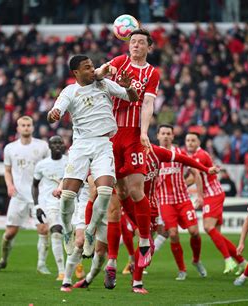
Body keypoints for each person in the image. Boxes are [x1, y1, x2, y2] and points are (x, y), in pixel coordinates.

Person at [47, 54, 138, 258]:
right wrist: (53, 114)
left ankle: (90, 231)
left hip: (104, 144)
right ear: (76, 72)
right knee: (68, 196)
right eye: (87, 68)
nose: (92, 70)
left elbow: (132, 98)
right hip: (81, 146)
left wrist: (128, 86)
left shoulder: (104, 84)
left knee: (105, 191)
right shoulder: (70, 91)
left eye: (92, 66)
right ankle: (68, 232)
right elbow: (55, 111)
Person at [94, 28, 161, 287]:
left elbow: (147, 104)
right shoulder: (118, 62)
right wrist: (103, 71)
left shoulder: (151, 73)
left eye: (141, 42)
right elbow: (96, 75)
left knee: (135, 189)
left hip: (133, 135)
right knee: (116, 197)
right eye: (132, 41)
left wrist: (144, 132)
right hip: (110, 135)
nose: (135, 45)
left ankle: (144, 239)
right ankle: (112, 260)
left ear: (148, 47)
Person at [132, 126, 219, 294]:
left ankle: (195, 260)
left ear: (172, 136)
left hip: (179, 200)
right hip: (160, 202)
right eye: (162, 133)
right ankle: (176, 270)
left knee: (194, 231)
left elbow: (190, 166)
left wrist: (206, 170)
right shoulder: (132, 156)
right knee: (166, 234)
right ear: (157, 135)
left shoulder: (160, 152)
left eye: (168, 133)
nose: (165, 136)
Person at [0, 116, 49, 273]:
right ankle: (3, 260)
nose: (26, 128)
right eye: (23, 125)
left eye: (29, 125)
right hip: (19, 195)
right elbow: (7, 171)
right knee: (10, 233)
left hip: (38, 194)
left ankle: (41, 264)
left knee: (43, 229)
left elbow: (50, 167)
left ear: (33, 127)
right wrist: (9, 185)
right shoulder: (10, 148)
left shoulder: (42, 146)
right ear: (18, 128)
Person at [185, 132, 247, 274]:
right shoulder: (194, 156)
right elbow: (193, 178)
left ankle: (228, 260)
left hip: (212, 194)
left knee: (208, 227)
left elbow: (196, 178)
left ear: (199, 142)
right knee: (217, 235)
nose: (190, 143)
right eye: (188, 140)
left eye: (193, 140)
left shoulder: (199, 156)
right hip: (215, 194)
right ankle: (242, 262)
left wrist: (198, 195)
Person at [61, 176, 109, 292]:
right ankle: (66, 281)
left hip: (108, 205)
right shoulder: (89, 161)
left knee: (101, 252)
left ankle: (88, 279)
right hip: (87, 202)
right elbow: (92, 191)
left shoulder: (111, 162)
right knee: (80, 241)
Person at [32, 136, 68, 281]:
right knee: (56, 232)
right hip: (50, 204)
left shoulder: (70, 162)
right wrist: (37, 205)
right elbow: (34, 185)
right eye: (54, 143)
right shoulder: (42, 165)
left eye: (60, 142)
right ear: (49, 146)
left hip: (70, 203)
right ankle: (62, 272)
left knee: (73, 237)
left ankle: (77, 265)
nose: (58, 145)